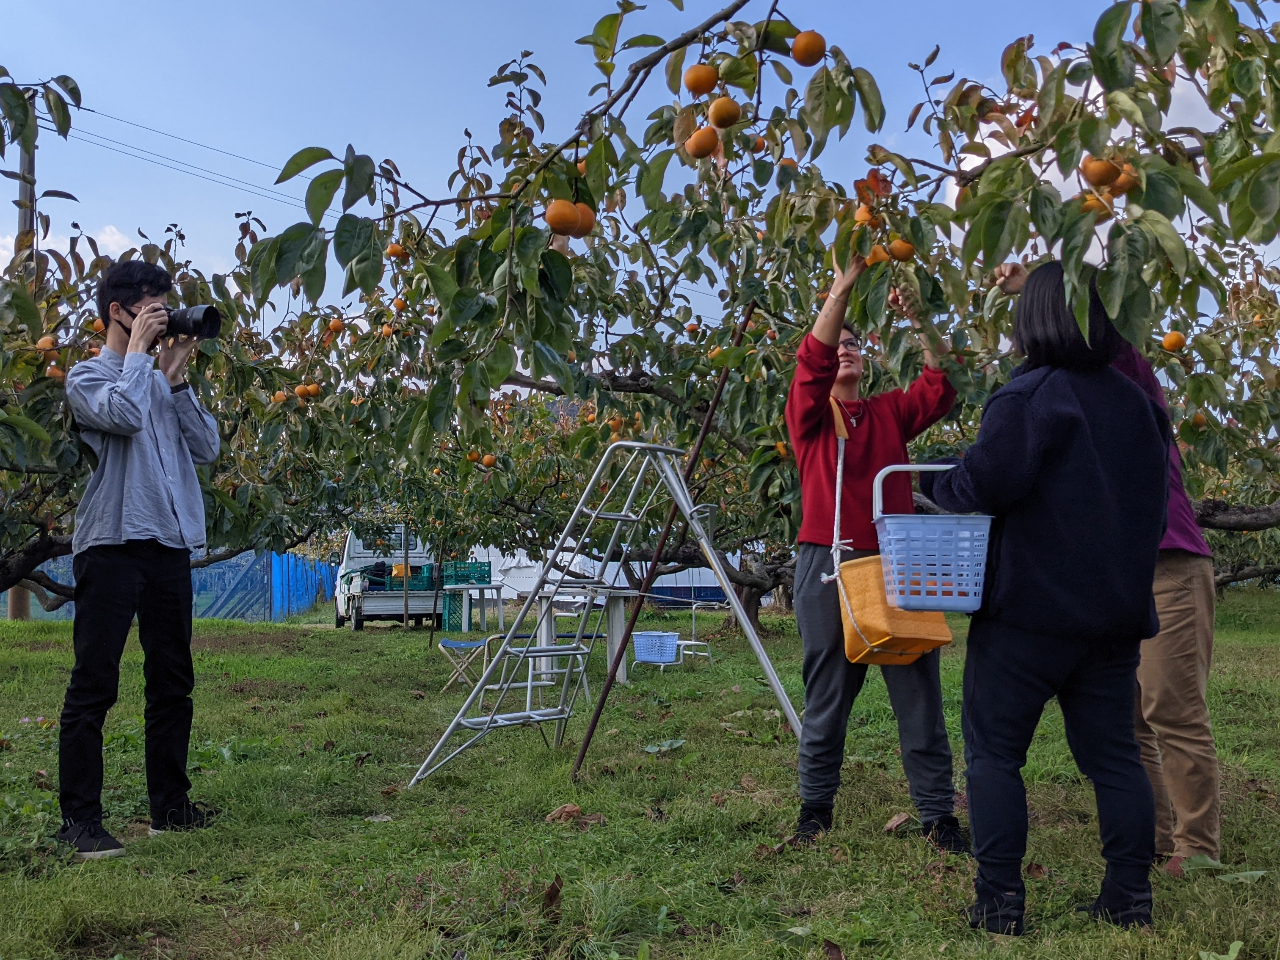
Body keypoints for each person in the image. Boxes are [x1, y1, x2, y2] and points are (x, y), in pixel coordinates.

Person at [923, 261, 1169, 934]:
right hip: (1113, 619)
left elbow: (985, 484)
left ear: (1031, 319)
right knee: (1114, 758)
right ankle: (1129, 899)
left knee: (996, 755)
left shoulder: (1030, 396)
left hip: (1029, 615)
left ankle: (1000, 903)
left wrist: (940, 485)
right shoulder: (1140, 406)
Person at [997, 263, 1221, 880]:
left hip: (1168, 561)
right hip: (1111, 571)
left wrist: (1039, 286)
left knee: (1171, 708)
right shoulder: (1055, 397)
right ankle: (1150, 836)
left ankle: (1197, 847)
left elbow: (1108, 334)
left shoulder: (1125, 378)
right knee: (1125, 719)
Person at [784, 253, 966, 852]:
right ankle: (814, 811)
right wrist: (840, 290)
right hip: (827, 562)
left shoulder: (887, 412)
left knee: (918, 692)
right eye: (840, 343)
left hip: (896, 560)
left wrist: (919, 319)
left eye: (856, 344)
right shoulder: (810, 418)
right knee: (828, 692)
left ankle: (938, 817)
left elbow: (941, 388)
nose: (846, 350)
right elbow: (810, 364)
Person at [56, 260, 221, 861]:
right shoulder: (87, 377)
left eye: (166, 308)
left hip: (169, 545)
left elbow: (206, 448)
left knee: (173, 682)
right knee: (94, 684)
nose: (163, 318)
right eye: (153, 308)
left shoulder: (155, 380)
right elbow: (122, 417)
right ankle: (79, 821)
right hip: (111, 544)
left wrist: (174, 381)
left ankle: (170, 809)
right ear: (118, 312)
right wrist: (141, 360)